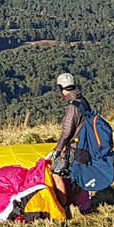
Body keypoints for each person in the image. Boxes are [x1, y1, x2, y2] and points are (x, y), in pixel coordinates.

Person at [45, 72, 93, 219]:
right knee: (76, 176)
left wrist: (57, 150)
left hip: (74, 148)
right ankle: (78, 205)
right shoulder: (83, 102)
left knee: (56, 173)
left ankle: (65, 208)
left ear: (61, 88)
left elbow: (67, 132)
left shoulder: (72, 107)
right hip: (86, 146)